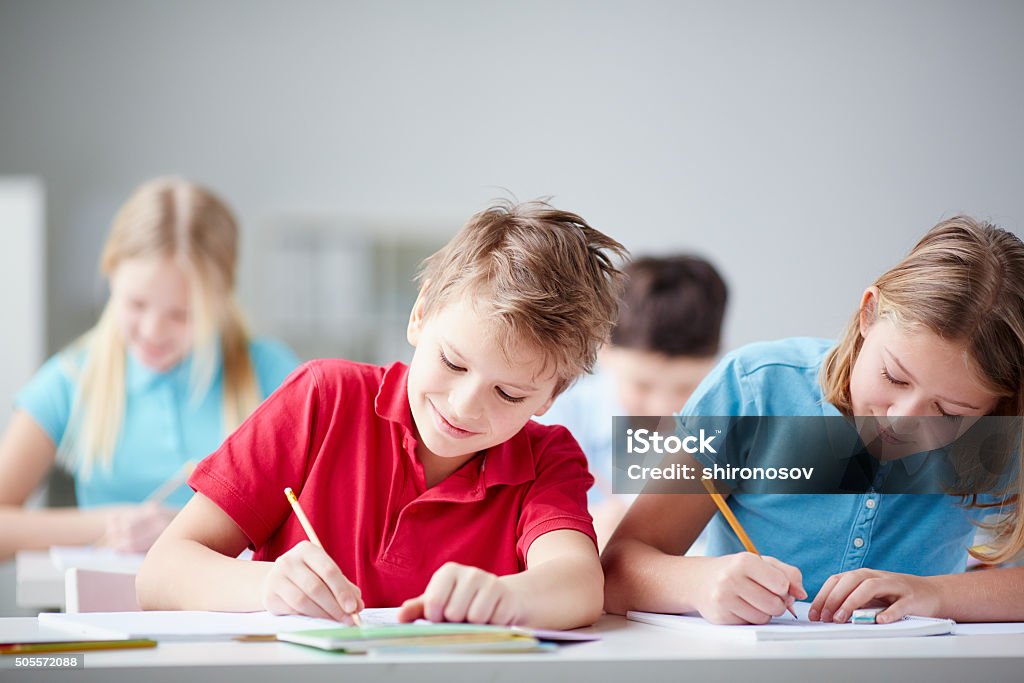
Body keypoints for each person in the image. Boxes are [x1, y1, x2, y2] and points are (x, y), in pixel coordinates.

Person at [137, 199, 626, 630]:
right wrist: (268, 585)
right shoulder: (322, 398)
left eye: (510, 394)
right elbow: (161, 573)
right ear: (419, 315)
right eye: (452, 362)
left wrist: (508, 598)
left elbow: (579, 585)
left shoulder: (547, 458)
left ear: (549, 398)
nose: (462, 406)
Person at [603, 216, 1024, 625]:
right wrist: (697, 583)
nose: (905, 421)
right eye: (894, 376)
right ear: (868, 314)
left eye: (950, 413)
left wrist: (938, 593)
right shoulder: (754, 389)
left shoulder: (1001, 428)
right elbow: (618, 570)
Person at [0, 177, 299, 560]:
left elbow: (317, 521)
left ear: (220, 302)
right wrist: (113, 524)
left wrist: (186, 532)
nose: (153, 332)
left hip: (236, 614)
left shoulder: (274, 376)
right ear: (110, 275)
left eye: (181, 314)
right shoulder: (73, 379)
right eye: (137, 304)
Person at [539, 255, 727, 549]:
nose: (661, 407)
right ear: (602, 347)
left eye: (685, 386)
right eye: (642, 384)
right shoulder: (552, 419)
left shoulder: (731, 428)